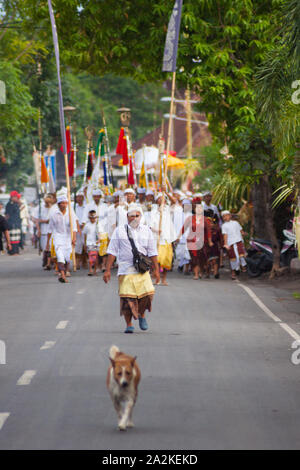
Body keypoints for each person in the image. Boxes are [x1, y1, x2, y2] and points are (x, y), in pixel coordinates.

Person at [103, 204, 160, 334]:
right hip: (125, 269)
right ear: (127, 217)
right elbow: (112, 251)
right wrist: (107, 270)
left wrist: (157, 270)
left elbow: (152, 252)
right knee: (127, 298)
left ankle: (142, 315)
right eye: (132, 216)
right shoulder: (119, 231)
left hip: (142, 270)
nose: (134, 218)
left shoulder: (147, 230)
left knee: (147, 294)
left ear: (140, 217)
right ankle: (129, 324)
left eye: (137, 215)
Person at [178, 197, 213, 280]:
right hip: (191, 241)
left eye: (200, 209)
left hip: (202, 242)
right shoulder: (190, 218)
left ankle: (201, 271)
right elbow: (184, 228)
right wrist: (178, 237)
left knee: (202, 258)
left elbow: (208, 231)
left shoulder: (205, 220)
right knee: (194, 258)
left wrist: (210, 241)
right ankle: (196, 274)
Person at [46, 194, 77, 283]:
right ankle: (62, 275)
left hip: (68, 238)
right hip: (58, 238)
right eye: (62, 203)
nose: (63, 205)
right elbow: (50, 229)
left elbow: (74, 228)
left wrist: (74, 238)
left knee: (67, 258)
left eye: (65, 203)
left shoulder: (71, 214)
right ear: (58, 204)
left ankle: (65, 271)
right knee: (60, 257)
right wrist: (48, 243)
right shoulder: (54, 215)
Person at [150, 192, 176, 286]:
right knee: (157, 260)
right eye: (159, 198)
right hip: (157, 239)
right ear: (157, 201)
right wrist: (156, 230)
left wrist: (166, 192)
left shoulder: (168, 209)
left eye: (163, 198)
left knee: (166, 260)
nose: (161, 200)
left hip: (166, 238)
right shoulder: (153, 211)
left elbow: (174, 201)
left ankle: (164, 279)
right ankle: (157, 277)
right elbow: (150, 226)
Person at [221, 210, 247, 280]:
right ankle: (233, 273)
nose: (225, 217)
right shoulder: (224, 226)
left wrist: (243, 233)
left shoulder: (236, 223)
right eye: (223, 216)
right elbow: (225, 235)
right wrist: (226, 244)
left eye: (226, 215)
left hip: (238, 241)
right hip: (231, 243)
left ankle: (242, 267)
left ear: (230, 216)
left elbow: (241, 231)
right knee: (233, 259)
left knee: (241, 256)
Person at [83, 209, 100, 276]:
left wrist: (99, 239)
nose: (92, 219)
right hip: (89, 243)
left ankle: (95, 270)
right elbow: (85, 234)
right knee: (90, 257)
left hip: (96, 243)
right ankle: (90, 269)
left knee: (95, 257)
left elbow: (99, 233)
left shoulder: (98, 225)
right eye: (91, 218)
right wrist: (84, 243)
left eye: (93, 218)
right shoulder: (87, 225)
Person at [5, 191, 22, 255]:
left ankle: (16, 251)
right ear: (12, 197)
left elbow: (21, 204)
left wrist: (18, 201)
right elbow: (7, 215)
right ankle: (12, 251)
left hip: (16, 223)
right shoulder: (9, 204)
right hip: (11, 224)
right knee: (12, 238)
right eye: (15, 197)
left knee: (17, 238)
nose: (17, 198)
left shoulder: (16, 204)